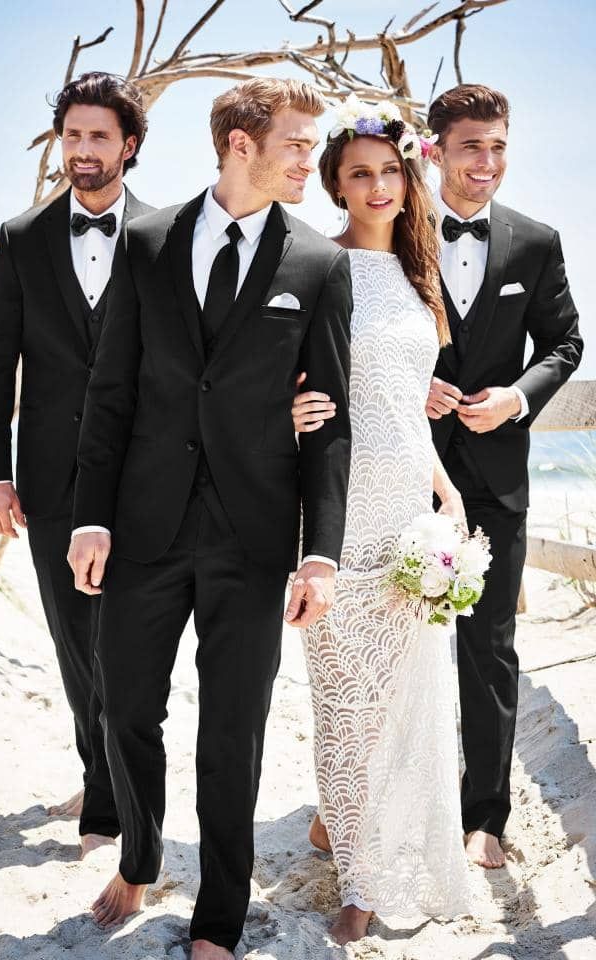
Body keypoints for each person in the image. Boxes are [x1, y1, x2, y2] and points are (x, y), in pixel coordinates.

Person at [66, 77, 352, 958]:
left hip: (255, 537)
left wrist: (321, 556)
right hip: (145, 528)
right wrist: (89, 518)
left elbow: (330, 423)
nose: (314, 161)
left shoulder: (318, 263)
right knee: (125, 713)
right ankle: (143, 855)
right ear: (241, 144)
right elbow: (109, 394)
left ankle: (220, 917)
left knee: (233, 731)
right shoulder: (147, 243)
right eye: (299, 144)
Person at [291, 96, 471, 946]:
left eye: (388, 171)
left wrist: (448, 490)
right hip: (336, 510)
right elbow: (280, 381)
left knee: (405, 695)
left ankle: (345, 829)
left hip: (409, 508)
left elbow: (407, 406)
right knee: (344, 699)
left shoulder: (417, 273)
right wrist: (282, 414)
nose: (375, 186)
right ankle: (358, 882)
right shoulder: (317, 267)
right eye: (357, 173)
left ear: (407, 178)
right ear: (335, 183)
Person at [0, 72, 154, 856]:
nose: (83, 151)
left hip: (142, 476)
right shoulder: (21, 238)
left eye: (99, 137)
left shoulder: (169, 235)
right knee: (75, 643)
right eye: (72, 135)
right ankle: (102, 783)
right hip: (47, 477)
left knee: (127, 640)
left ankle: (113, 790)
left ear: (129, 146)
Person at [424, 84, 582, 868]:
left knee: (488, 645)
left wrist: (519, 397)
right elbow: (346, 337)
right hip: (403, 473)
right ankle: (370, 802)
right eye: (470, 147)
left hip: (495, 479)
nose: (486, 163)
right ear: (436, 151)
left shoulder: (536, 242)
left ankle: (485, 815)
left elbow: (564, 344)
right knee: (394, 649)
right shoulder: (389, 231)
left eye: (498, 146)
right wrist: (405, 385)